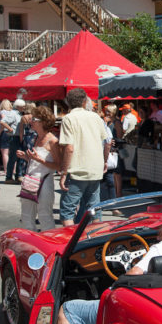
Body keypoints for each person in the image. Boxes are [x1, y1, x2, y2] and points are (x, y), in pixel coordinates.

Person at [59, 88, 110, 226]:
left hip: (78, 170)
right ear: (84, 102)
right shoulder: (95, 117)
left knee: (67, 211)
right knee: (94, 210)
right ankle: (95, 241)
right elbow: (107, 143)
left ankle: (72, 245)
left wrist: (63, 172)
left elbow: (69, 148)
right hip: (95, 169)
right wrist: (105, 161)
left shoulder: (69, 118)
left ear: (68, 103)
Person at [16, 106, 61, 231]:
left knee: (44, 215)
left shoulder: (52, 140)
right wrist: (26, 157)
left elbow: (59, 166)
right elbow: (37, 162)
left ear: (42, 121)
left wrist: (38, 159)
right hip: (31, 180)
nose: (31, 121)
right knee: (26, 215)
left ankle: (48, 246)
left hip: (44, 182)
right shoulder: (36, 138)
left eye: (34, 119)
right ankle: (31, 244)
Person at [2, 98, 26, 184]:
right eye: (23, 106)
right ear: (18, 106)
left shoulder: (18, 113)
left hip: (17, 137)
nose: (24, 108)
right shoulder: (12, 114)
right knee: (13, 158)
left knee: (19, 157)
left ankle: (18, 176)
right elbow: (3, 121)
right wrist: (10, 129)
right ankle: (9, 177)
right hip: (14, 137)